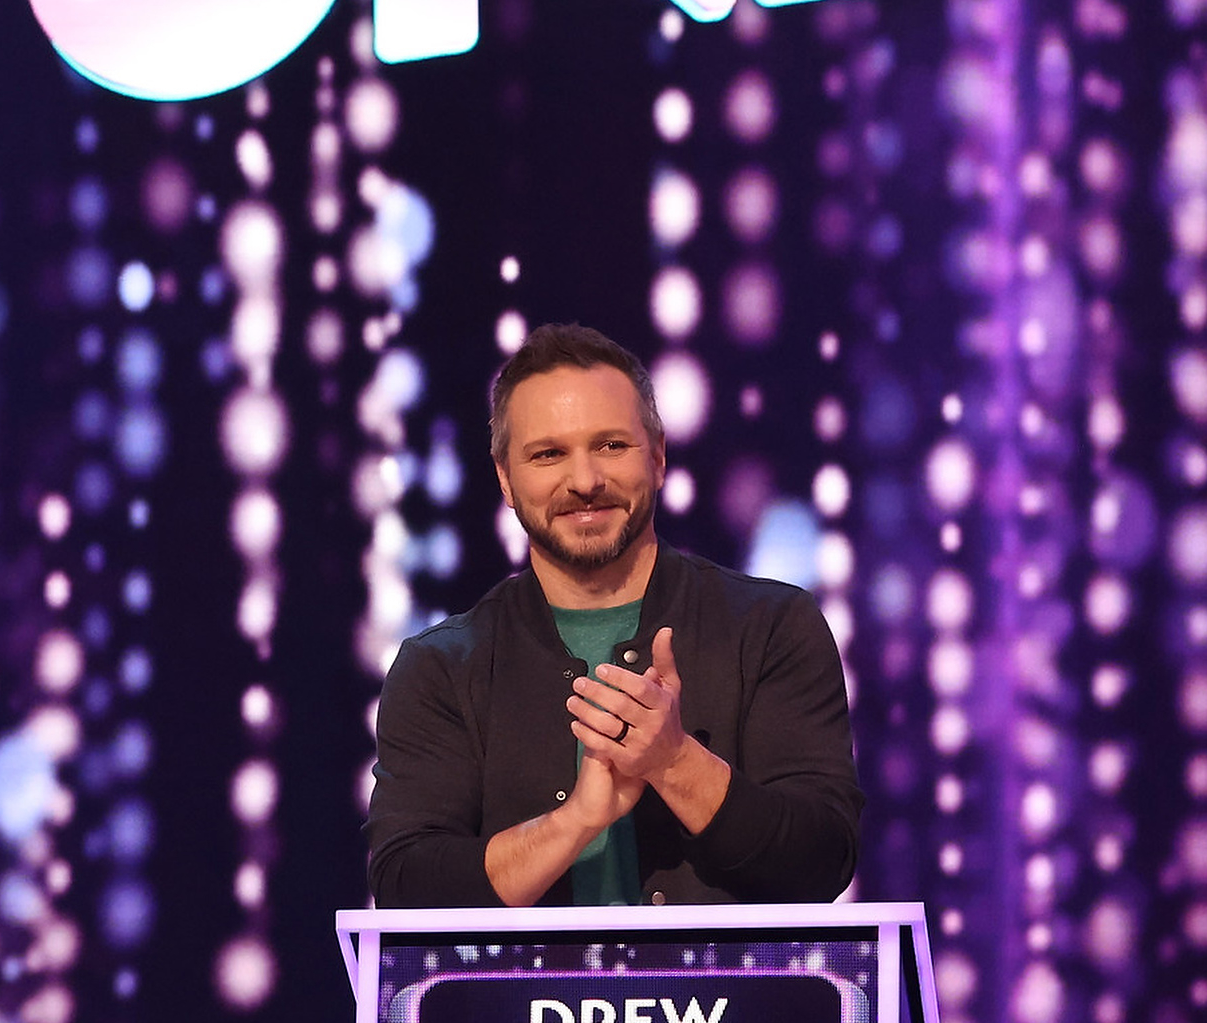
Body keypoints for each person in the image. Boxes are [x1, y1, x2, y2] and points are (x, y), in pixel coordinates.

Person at [368, 321, 860, 909]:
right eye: (548, 454)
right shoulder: (441, 668)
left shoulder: (773, 627)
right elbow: (406, 889)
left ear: (657, 457)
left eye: (610, 445)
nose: (584, 481)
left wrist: (674, 761)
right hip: (522, 1004)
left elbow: (823, 858)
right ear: (505, 478)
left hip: (728, 1001)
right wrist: (574, 821)